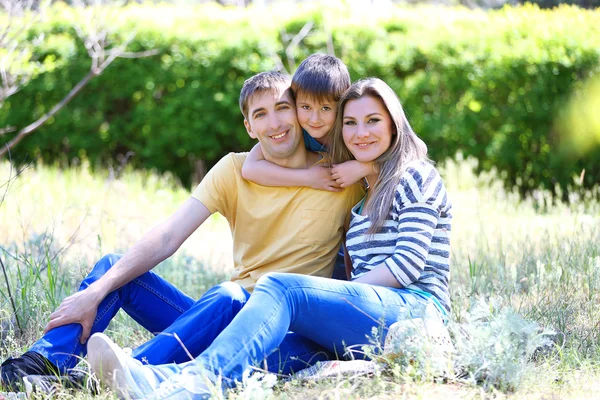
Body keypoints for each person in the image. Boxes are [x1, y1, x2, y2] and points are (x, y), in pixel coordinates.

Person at [87, 77, 453, 400]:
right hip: (366, 319)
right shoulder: (362, 197)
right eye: (351, 123)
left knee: (282, 287)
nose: (361, 133)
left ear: (394, 124)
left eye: (373, 121)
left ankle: (190, 388)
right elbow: (258, 160)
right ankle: (154, 380)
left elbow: (406, 266)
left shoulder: (416, 177)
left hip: (415, 311)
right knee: (261, 350)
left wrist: (320, 297)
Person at [0, 71, 363, 393]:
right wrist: (95, 292)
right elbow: (168, 236)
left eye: (283, 108)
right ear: (249, 127)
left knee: (229, 295)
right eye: (260, 114)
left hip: (275, 331)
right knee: (118, 270)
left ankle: (119, 373)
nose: (276, 122)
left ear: (300, 111)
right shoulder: (234, 170)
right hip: (217, 319)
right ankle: (42, 364)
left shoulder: (341, 177)